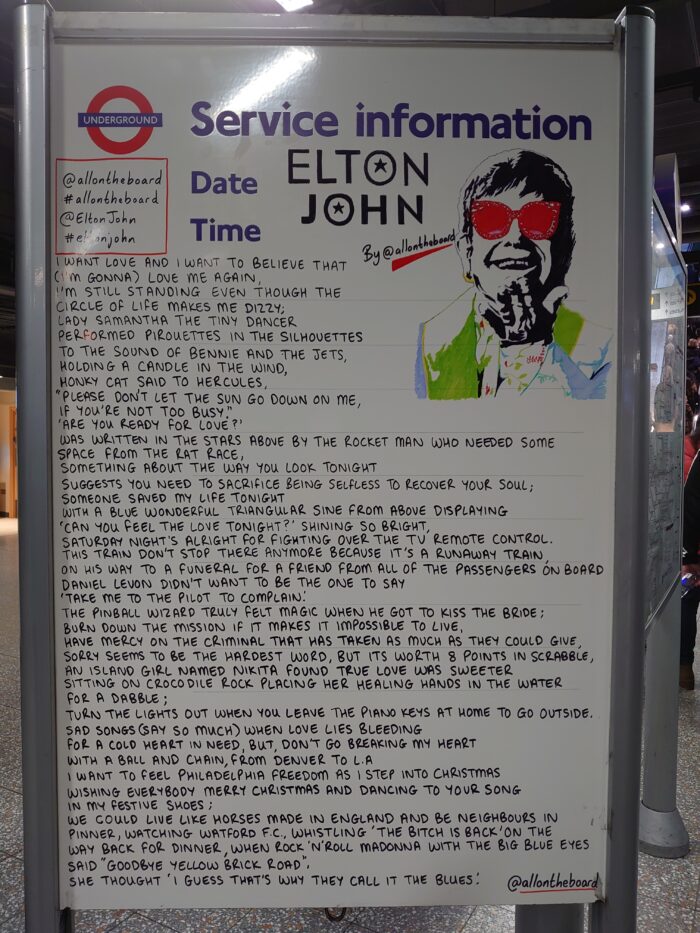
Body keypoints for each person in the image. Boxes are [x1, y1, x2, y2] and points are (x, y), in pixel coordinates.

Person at [415, 149, 612, 400]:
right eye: (491, 218)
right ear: (466, 251)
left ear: (563, 249)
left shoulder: (599, 350)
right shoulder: (428, 342)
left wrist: (532, 346)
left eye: (538, 219)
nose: (515, 237)